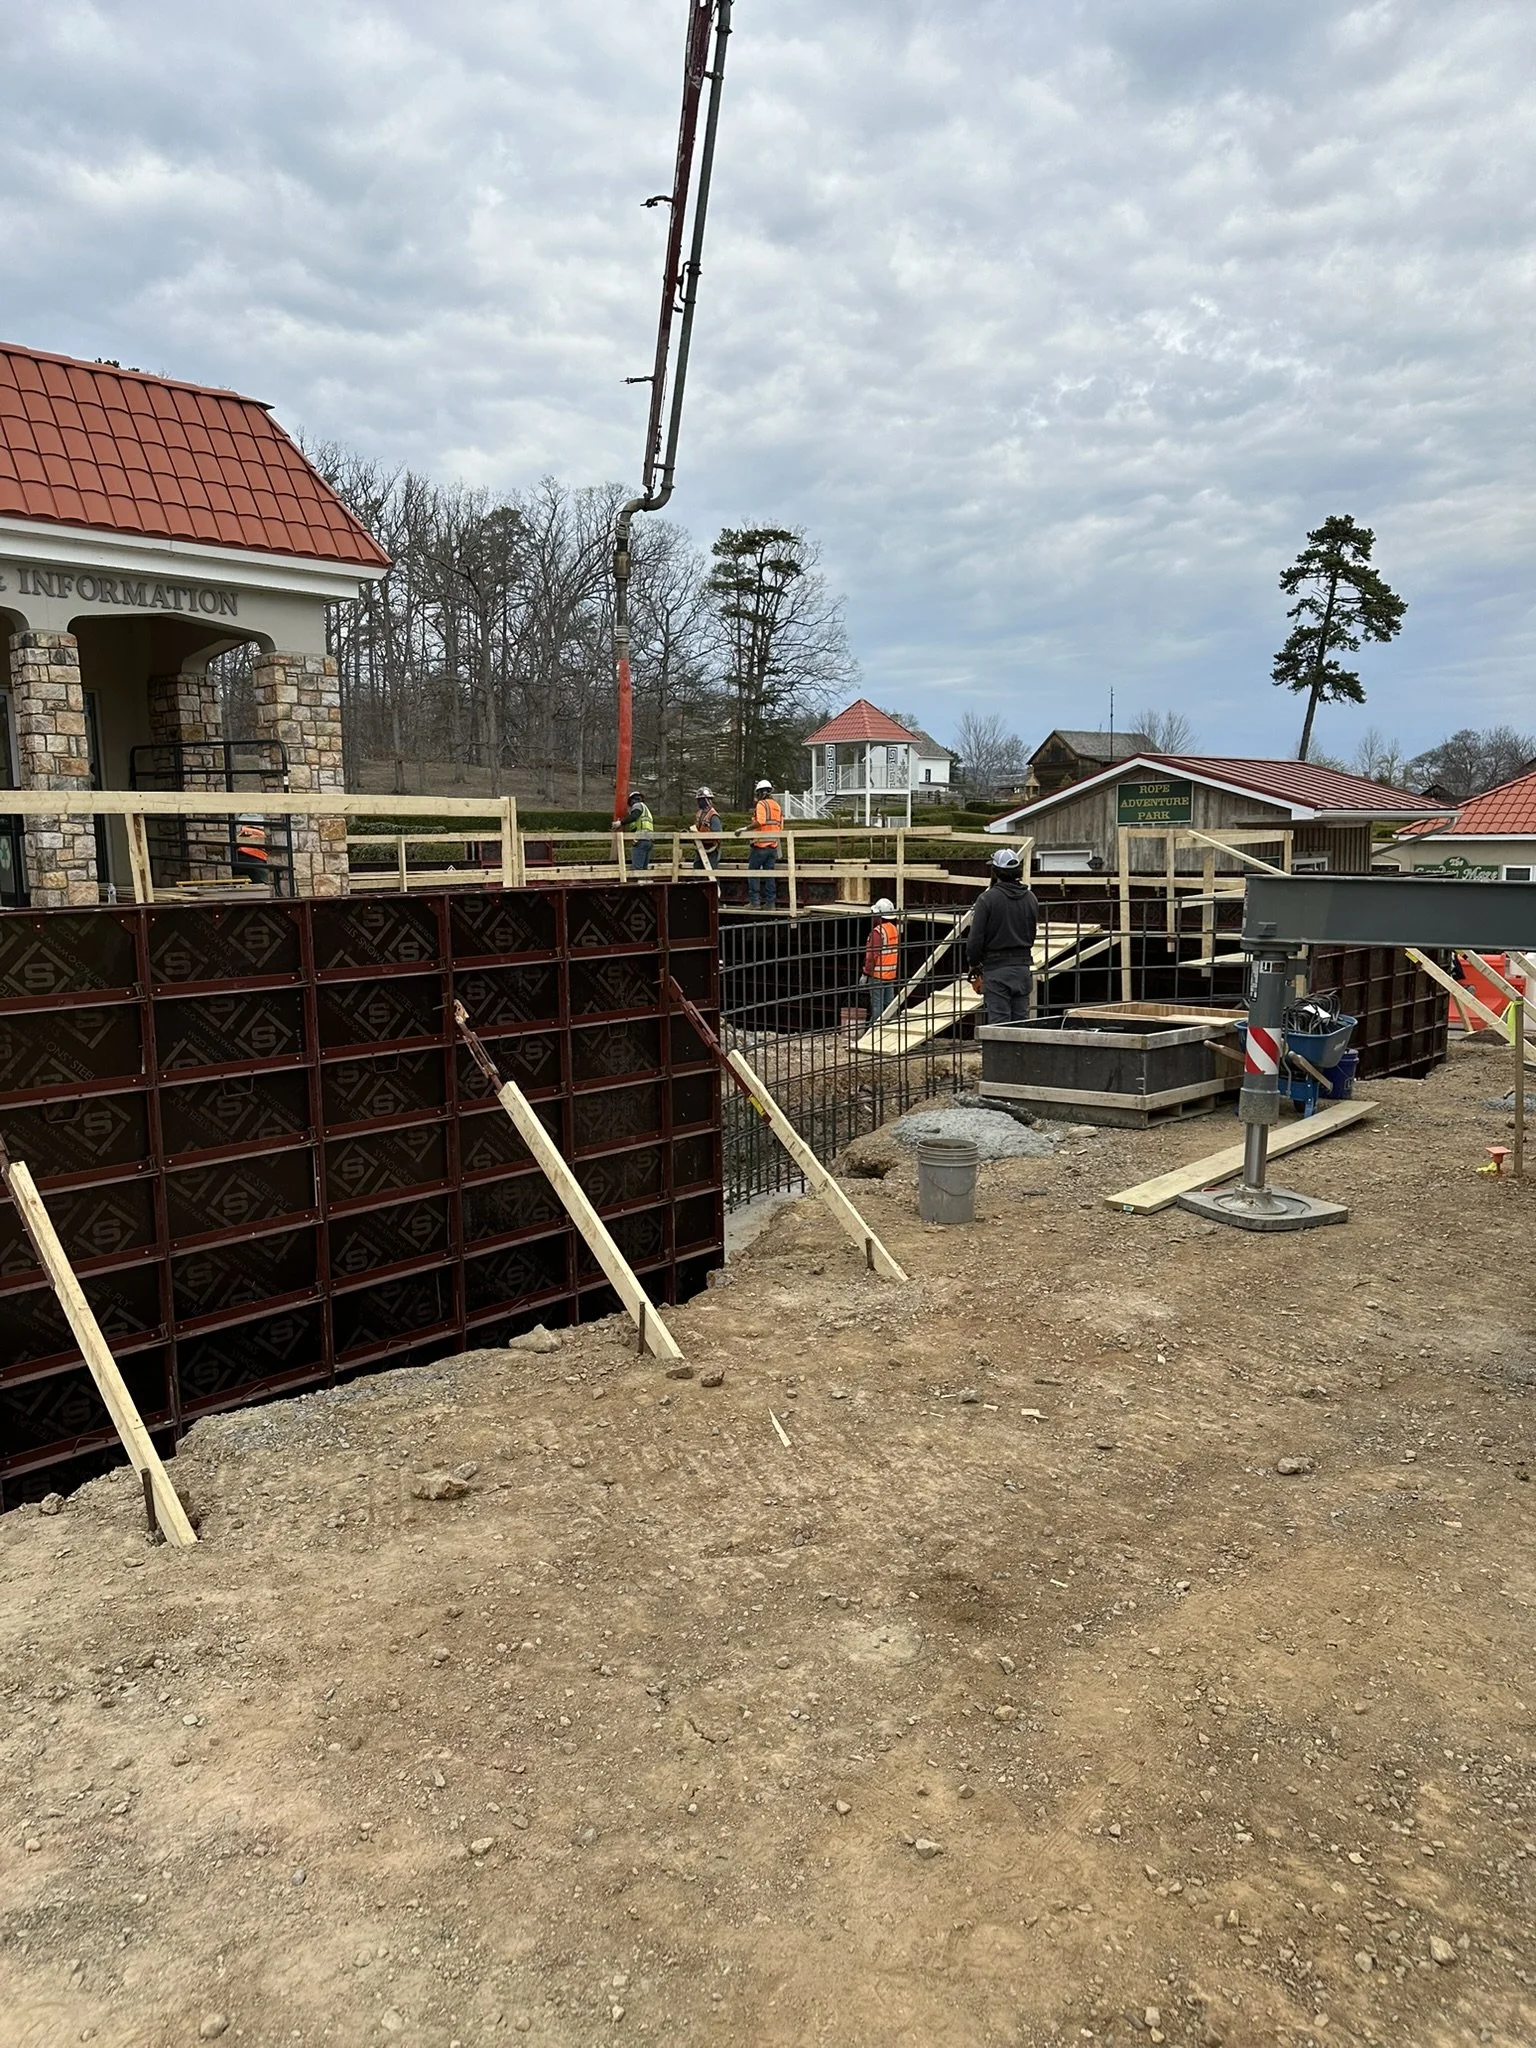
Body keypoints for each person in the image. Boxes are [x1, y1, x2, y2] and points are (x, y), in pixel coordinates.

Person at [966, 846, 1038, 1023]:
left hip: (996, 970)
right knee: (1021, 1024)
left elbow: (975, 938)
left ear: (996, 871)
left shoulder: (987, 899)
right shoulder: (1030, 898)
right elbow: (1032, 934)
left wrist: (974, 964)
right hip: (1022, 969)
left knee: (999, 1025)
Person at [861, 897, 901, 1022]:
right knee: (889, 1003)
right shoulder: (894, 930)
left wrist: (865, 973)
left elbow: (871, 956)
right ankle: (893, 1026)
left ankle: (876, 1031)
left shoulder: (877, 932)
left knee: (877, 1004)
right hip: (890, 974)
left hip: (877, 975)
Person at [747, 778, 782, 908]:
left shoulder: (761, 805)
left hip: (760, 846)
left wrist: (745, 829)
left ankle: (755, 902)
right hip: (773, 846)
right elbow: (780, 825)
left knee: (753, 872)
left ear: (760, 793)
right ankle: (770, 903)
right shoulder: (777, 806)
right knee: (769, 875)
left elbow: (760, 821)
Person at [625, 788, 655, 872]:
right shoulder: (646, 810)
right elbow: (636, 824)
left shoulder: (637, 805)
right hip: (649, 840)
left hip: (641, 840)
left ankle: (640, 883)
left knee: (637, 869)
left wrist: (620, 822)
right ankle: (645, 883)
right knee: (644, 870)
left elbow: (634, 816)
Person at [693, 787, 723, 871]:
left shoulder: (713, 815)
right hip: (700, 847)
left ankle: (715, 884)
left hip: (711, 849)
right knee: (697, 870)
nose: (699, 802)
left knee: (711, 873)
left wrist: (702, 836)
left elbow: (717, 834)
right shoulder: (699, 813)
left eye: (701, 800)